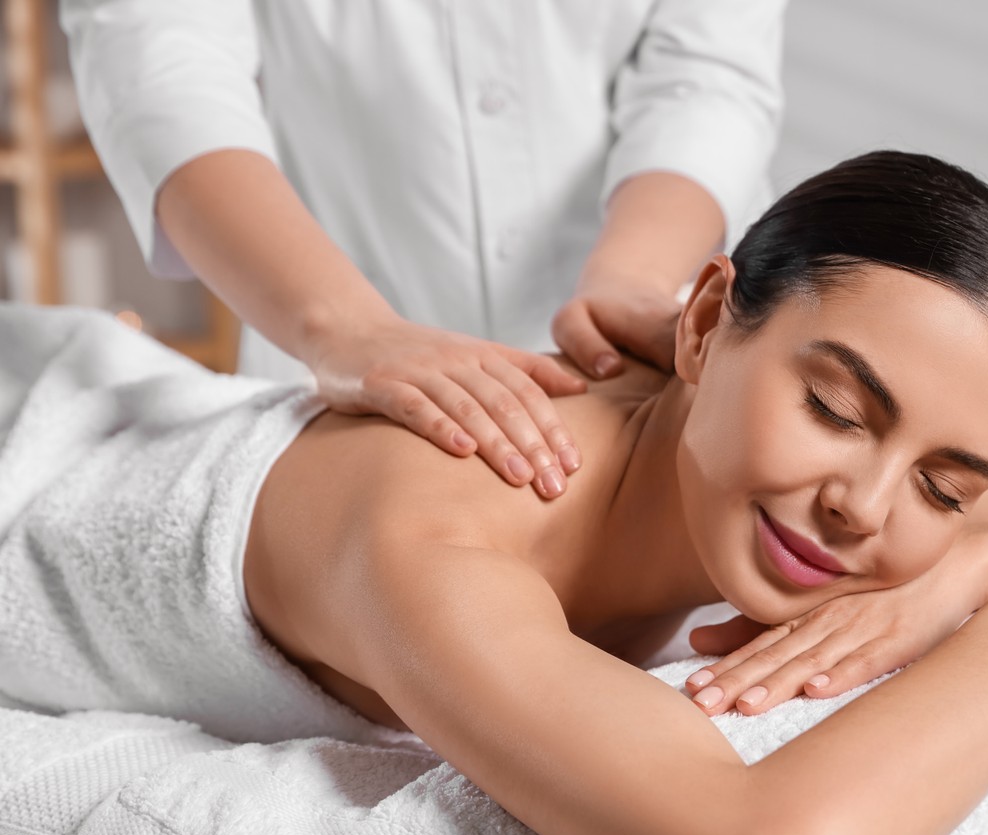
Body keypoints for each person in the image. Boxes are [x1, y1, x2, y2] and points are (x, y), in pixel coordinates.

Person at [5, 152, 988, 835]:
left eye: (951, 483)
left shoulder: (836, 493)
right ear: (708, 318)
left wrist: (962, 575)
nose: (863, 509)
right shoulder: (438, 534)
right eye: (836, 407)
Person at [60, 0, 786, 497]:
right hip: (342, 366)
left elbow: (707, 71)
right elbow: (160, 60)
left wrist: (638, 276)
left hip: (655, 346)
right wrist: (345, 327)